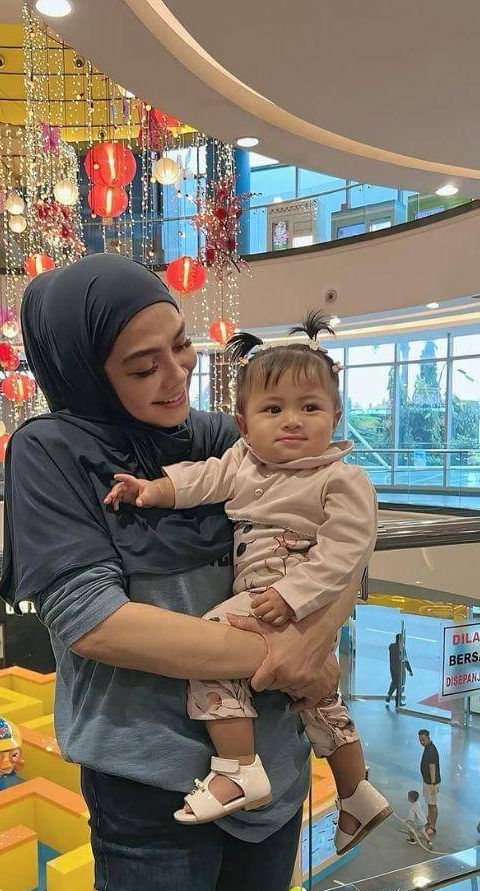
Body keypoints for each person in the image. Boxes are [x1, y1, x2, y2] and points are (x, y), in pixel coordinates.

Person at [1, 254, 362, 891]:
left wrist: (312, 637)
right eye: (142, 367)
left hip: (274, 767)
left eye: (182, 345)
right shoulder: (53, 451)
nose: (177, 375)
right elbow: (95, 623)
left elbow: (341, 536)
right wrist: (280, 656)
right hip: (155, 781)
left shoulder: (228, 434)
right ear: (87, 372)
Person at [105, 315, 391, 854]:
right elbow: (203, 477)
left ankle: (237, 767)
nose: (292, 421)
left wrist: (294, 596)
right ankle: (356, 792)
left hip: (289, 595)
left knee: (209, 651)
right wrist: (154, 490)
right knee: (314, 694)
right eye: (273, 409)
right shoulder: (244, 462)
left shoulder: (341, 478)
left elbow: (347, 550)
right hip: (274, 597)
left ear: (335, 416)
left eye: (310, 407)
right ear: (243, 422)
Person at [418, 729, 440, 837]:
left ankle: (432, 827)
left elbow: (432, 767)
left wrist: (433, 784)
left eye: (423, 740)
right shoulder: (427, 748)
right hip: (427, 781)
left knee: (432, 804)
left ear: (428, 738)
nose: (421, 742)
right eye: (420, 740)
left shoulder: (431, 751)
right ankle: (429, 820)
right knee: (429, 803)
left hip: (431, 783)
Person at [386, 631, 412, 706]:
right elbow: (405, 660)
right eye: (402, 640)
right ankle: (398, 702)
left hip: (392, 668)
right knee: (399, 685)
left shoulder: (391, 647)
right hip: (400, 669)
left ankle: (389, 695)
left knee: (394, 683)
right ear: (400, 640)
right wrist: (410, 670)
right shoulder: (401, 649)